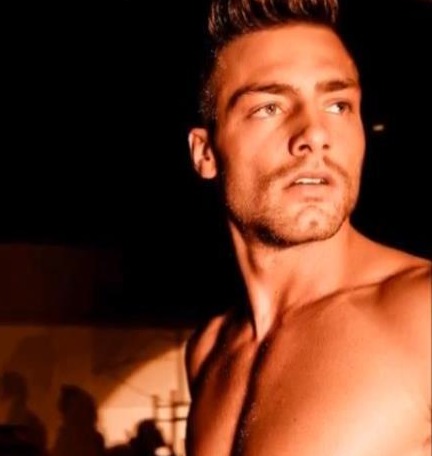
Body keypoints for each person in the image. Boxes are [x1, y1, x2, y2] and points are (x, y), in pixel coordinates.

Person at [185, 0, 431, 454]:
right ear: (205, 153)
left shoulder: (422, 315)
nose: (315, 134)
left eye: (338, 105)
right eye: (269, 107)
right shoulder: (209, 351)